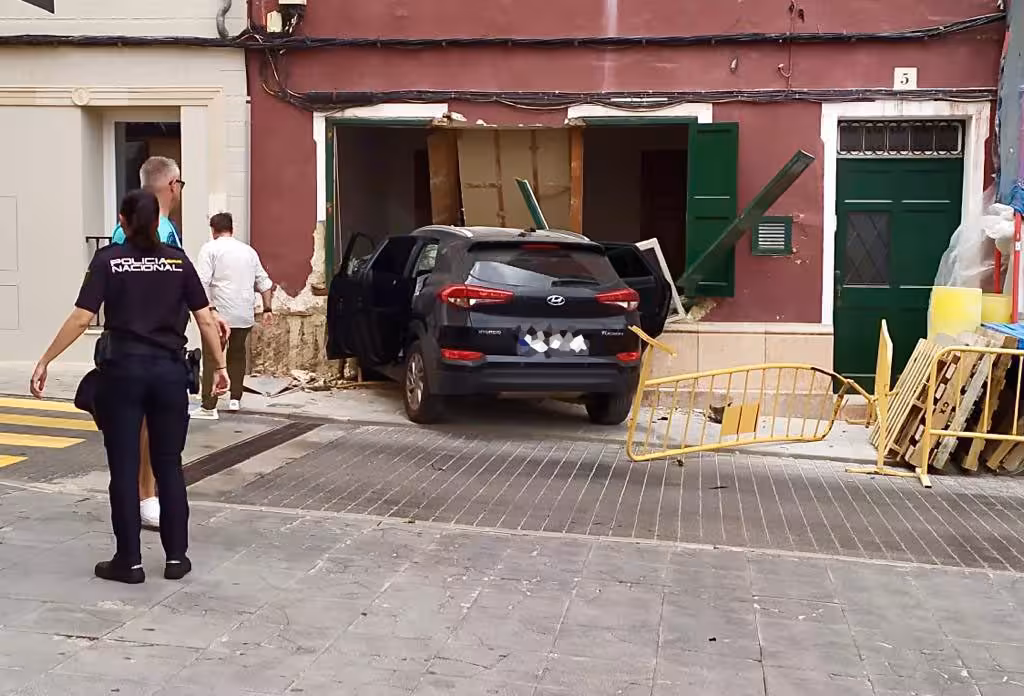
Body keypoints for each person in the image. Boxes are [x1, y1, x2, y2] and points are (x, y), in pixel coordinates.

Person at [31, 189, 229, 584]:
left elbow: (82, 318)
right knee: (169, 465)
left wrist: (46, 359)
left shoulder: (108, 261)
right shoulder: (178, 262)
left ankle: (129, 561)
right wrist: (219, 367)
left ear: (122, 222)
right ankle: (176, 558)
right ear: (158, 222)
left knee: (123, 469)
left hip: (123, 372)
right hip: (170, 373)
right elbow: (206, 320)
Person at [110, 156, 228, 528]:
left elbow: (180, 282)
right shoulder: (136, 234)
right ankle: (145, 498)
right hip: (144, 350)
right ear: (173, 185)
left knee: (153, 428)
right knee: (144, 426)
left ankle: (148, 499)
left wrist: (206, 311)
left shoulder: (166, 231)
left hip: (159, 348)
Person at [191, 212, 274, 419]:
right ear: (232, 229)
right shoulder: (248, 251)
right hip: (243, 313)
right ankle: (235, 398)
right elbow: (264, 282)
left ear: (213, 230)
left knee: (212, 357)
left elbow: (201, 281)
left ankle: (209, 405)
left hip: (219, 314)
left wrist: (208, 308)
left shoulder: (209, 249)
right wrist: (267, 308)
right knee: (237, 354)